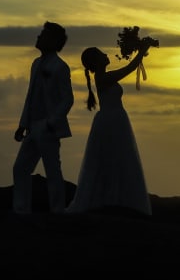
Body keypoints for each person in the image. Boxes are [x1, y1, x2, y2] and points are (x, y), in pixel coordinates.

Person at [65, 37, 156, 216]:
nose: (106, 54)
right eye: (101, 54)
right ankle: (111, 201)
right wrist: (141, 52)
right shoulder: (102, 78)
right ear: (96, 62)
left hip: (115, 120)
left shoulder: (103, 77)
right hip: (111, 122)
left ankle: (116, 200)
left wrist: (140, 52)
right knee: (113, 159)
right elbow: (129, 69)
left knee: (117, 159)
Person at [11, 21, 74, 214]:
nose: (38, 37)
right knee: (20, 168)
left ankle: (57, 210)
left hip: (47, 127)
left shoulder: (60, 67)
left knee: (52, 171)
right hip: (32, 126)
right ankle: (21, 209)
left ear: (53, 41)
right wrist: (23, 124)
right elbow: (30, 96)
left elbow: (67, 99)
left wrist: (51, 122)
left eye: (43, 35)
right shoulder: (36, 64)